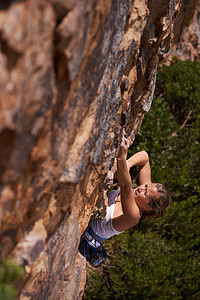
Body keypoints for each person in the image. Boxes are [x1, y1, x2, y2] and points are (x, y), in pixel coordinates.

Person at [79, 137, 171, 266]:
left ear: (148, 207)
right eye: (146, 186)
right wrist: (128, 164)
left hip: (85, 240)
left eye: (145, 193)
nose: (140, 188)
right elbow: (145, 157)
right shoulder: (141, 194)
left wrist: (122, 156)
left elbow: (126, 186)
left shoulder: (133, 216)